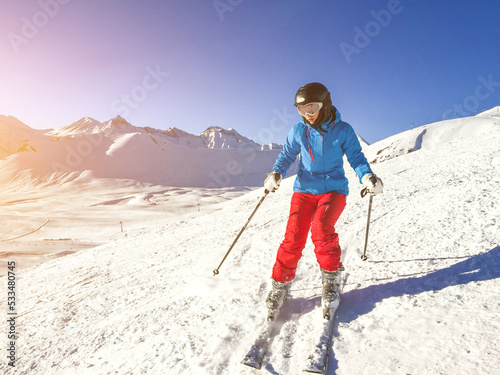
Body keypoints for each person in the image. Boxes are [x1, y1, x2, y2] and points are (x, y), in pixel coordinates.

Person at [263, 82, 383, 320]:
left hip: (334, 190)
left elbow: (356, 158)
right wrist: (276, 173)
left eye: (312, 108)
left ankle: (331, 280)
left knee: (321, 229)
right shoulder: (298, 130)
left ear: (325, 104)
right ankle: (280, 283)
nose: (307, 114)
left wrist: (367, 176)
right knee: (294, 235)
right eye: (301, 110)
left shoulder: (343, 130)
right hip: (304, 190)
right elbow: (287, 154)